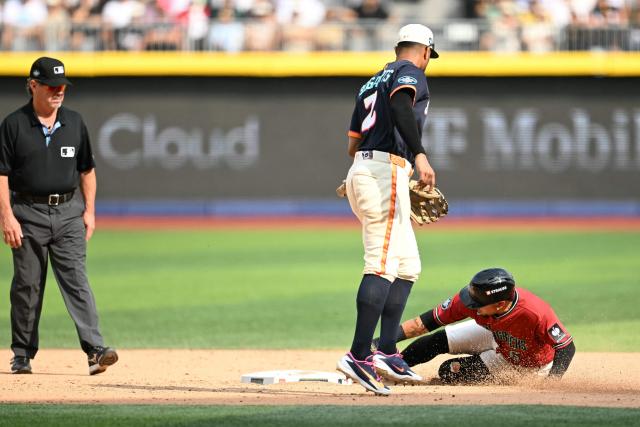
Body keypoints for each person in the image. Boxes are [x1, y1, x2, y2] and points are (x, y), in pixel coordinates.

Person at [335, 24, 438, 395]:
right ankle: (359, 354)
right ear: (425, 51)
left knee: (407, 265)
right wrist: (420, 154)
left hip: (369, 169)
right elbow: (399, 104)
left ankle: (387, 351)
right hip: (384, 173)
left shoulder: (369, 82)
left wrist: (366, 169)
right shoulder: (410, 72)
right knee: (381, 262)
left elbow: (353, 146)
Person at [0, 57, 118, 375]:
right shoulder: (13, 124)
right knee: (27, 285)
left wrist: (90, 211)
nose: (59, 91)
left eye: (62, 86)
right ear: (33, 85)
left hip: (68, 211)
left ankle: (95, 351)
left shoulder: (75, 122)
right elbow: (1, 174)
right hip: (28, 212)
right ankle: (22, 354)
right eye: (52, 86)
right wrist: (7, 217)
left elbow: (87, 171)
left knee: (76, 280)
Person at [375, 268, 576, 384]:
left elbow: (566, 347)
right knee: (435, 341)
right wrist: (379, 341)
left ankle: (477, 361)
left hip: (523, 364)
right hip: (492, 332)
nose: (471, 306)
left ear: (500, 304)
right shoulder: (472, 301)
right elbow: (423, 324)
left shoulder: (535, 312)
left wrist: (551, 383)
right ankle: (385, 370)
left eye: (477, 305)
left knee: (448, 371)